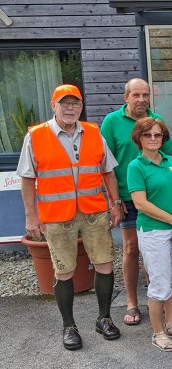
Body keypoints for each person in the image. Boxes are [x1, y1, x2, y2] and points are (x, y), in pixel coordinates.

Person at [17, 84, 123, 350]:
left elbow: (108, 171)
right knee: (64, 271)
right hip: (56, 217)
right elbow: (28, 180)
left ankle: (104, 318)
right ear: (54, 106)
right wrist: (32, 218)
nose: (70, 108)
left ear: (81, 107)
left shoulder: (94, 132)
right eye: (64, 103)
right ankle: (69, 326)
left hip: (93, 212)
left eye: (75, 103)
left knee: (105, 264)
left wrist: (115, 203)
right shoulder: (36, 135)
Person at [101, 78, 172, 326]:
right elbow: (105, 164)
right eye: (136, 95)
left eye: (145, 95)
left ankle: (157, 297)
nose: (142, 99)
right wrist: (114, 200)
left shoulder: (157, 120)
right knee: (132, 248)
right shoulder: (112, 122)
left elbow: (169, 156)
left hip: (157, 198)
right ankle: (132, 300)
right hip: (128, 198)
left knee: (156, 249)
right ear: (126, 97)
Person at [126, 118, 172, 352]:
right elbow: (140, 204)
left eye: (158, 135)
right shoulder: (136, 166)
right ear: (139, 138)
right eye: (148, 135)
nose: (153, 139)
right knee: (160, 283)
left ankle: (171, 324)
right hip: (154, 231)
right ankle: (158, 332)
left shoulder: (170, 162)